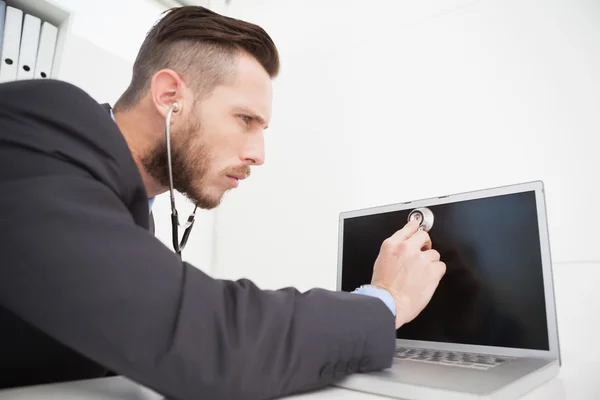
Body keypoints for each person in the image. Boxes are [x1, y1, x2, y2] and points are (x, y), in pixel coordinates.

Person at [0, 6, 446, 399]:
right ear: (170, 97)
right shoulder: (45, 123)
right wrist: (384, 302)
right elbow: (203, 338)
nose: (258, 154)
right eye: (245, 119)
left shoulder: (126, 208)